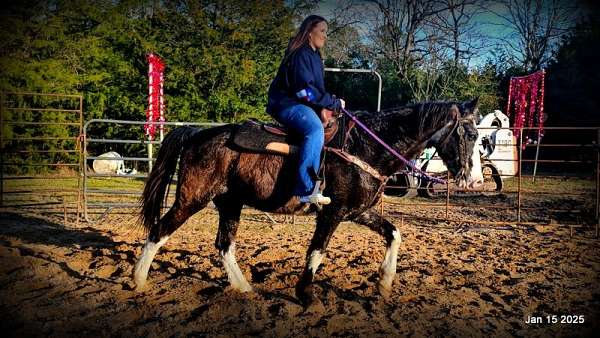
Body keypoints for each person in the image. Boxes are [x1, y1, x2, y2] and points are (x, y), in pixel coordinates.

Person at [266, 15, 345, 205]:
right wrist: (331, 103)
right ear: (310, 32)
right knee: (314, 129)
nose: (326, 36)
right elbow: (304, 92)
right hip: (287, 104)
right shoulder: (300, 54)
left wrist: (331, 103)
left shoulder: (316, 57)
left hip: (302, 104)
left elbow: (316, 91)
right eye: (322, 31)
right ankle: (306, 189)